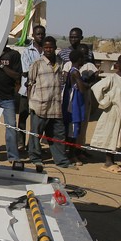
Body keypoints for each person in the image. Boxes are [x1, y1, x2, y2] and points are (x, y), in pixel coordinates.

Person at [26, 36, 72, 168]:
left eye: (51, 47)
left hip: (55, 106)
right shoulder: (37, 64)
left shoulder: (60, 62)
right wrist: (30, 103)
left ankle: (61, 160)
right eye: (46, 47)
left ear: (55, 47)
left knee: (58, 135)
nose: (48, 50)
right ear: (43, 48)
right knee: (36, 134)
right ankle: (35, 158)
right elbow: (30, 84)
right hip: (40, 105)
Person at [90, 54, 121, 174]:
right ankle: (108, 162)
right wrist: (106, 101)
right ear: (118, 65)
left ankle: (111, 160)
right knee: (111, 136)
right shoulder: (112, 78)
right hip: (112, 113)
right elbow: (96, 88)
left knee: (117, 136)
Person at [0, 44, 22, 164]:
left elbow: (17, 75)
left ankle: (13, 156)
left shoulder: (14, 55)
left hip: (8, 98)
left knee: (11, 127)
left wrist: (1, 65)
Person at [17, 24, 46, 152]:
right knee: (23, 117)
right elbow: (26, 71)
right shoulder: (27, 52)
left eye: (42, 34)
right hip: (26, 92)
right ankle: (20, 143)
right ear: (33, 36)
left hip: (42, 93)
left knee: (37, 121)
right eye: (38, 34)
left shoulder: (47, 51)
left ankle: (33, 145)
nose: (40, 36)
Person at [62, 49, 89, 166]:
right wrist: (91, 83)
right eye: (82, 58)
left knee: (72, 132)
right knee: (73, 132)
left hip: (74, 104)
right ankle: (71, 155)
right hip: (73, 106)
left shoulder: (74, 71)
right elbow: (82, 89)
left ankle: (71, 153)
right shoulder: (75, 72)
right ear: (79, 59)